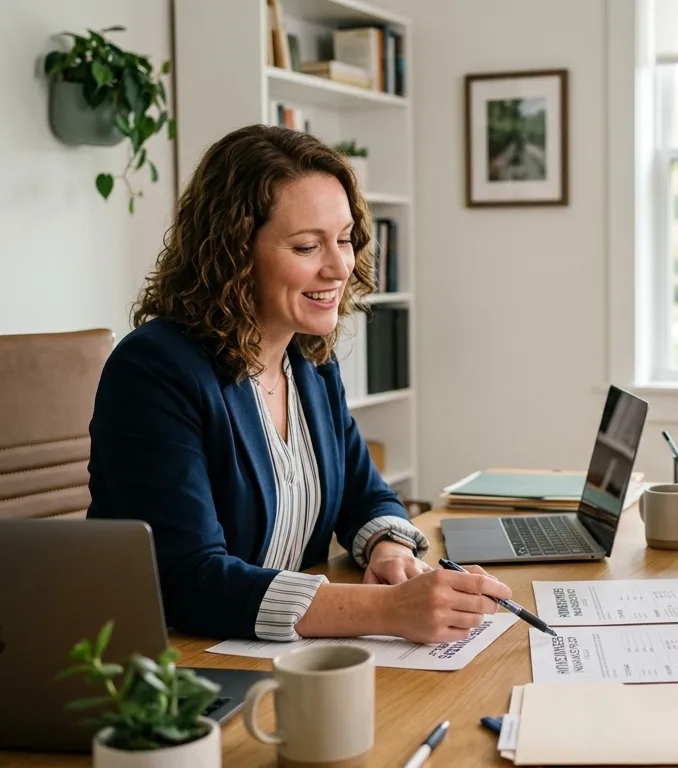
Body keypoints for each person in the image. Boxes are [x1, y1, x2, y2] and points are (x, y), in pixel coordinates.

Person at [87, 124, 512, 643]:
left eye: (344, 239)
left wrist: (392, 553)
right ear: (232, 254)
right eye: (308, 246)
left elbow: (366, 495)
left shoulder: (308, 361)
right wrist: (386, 610)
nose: (339, 267)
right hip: (178, 666)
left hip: (276, 652)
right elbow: (189, 581)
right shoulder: (155, 370)